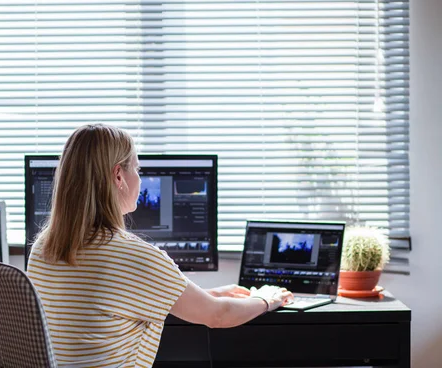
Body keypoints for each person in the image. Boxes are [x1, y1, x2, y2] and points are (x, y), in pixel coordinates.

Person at [27, 123, 294, 367]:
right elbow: (218, 316)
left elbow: (102, 303)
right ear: (118, 176)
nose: (140, 180)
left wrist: (205, 293)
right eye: (137, 169)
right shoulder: (133, 256)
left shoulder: (43, 248)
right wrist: (266, 299)